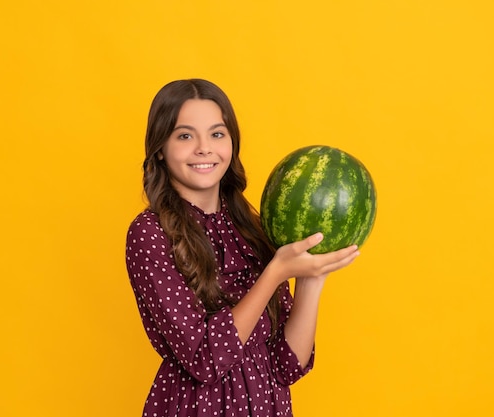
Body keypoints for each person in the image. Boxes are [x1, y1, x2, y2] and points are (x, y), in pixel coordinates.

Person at [125, 79, 359, 417]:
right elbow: (205, 361)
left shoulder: (249, 225)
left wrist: (311, 277)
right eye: (185, 135)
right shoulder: (149, 233)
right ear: (160, 147)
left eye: (217, 134)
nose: (204, 148)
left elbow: (286, 365)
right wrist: (276, 271)